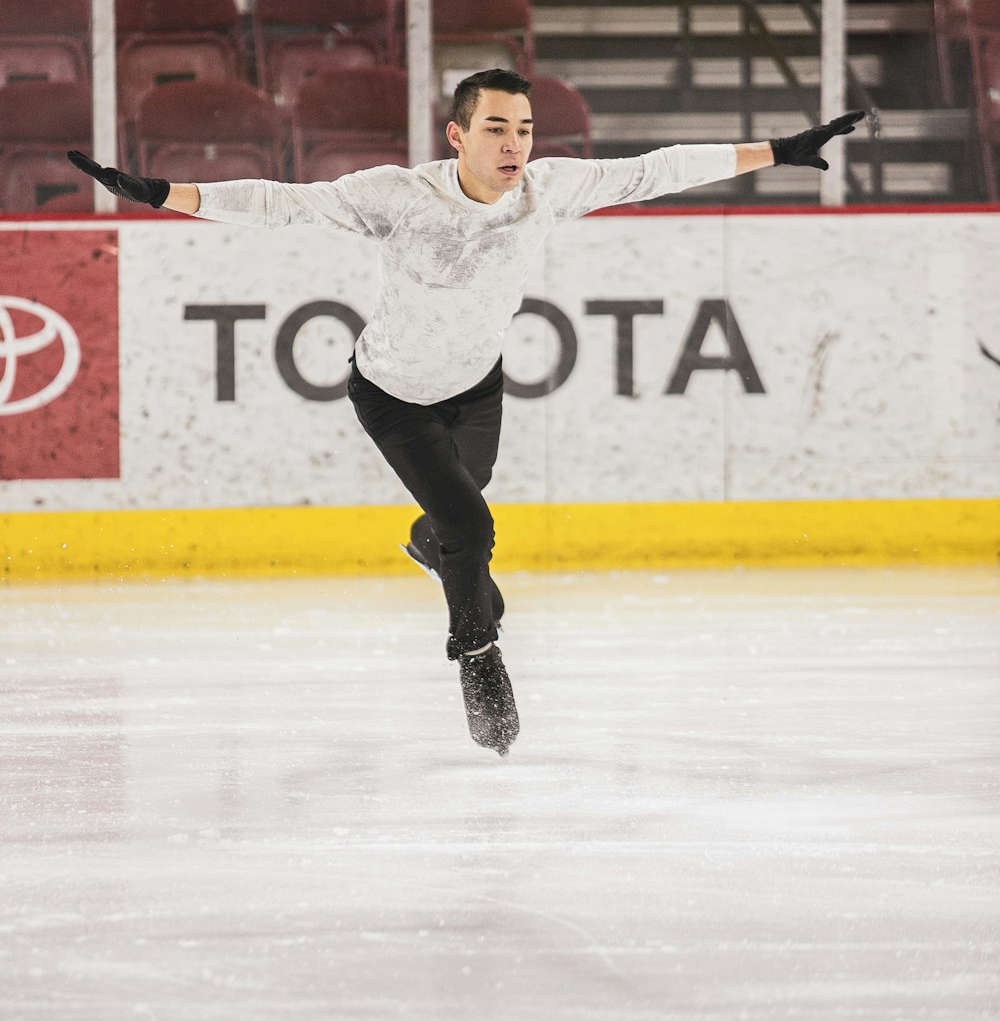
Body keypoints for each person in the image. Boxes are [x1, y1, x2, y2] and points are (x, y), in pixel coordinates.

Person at [69, 72, 863, 758]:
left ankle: (430, 543)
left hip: (478, 389)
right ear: (457, 135)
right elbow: (283, 204)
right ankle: (478, 654)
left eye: (523, 128)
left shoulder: (549, 190)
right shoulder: (396, 196)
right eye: (495, 128)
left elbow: (654, 170)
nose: (513, 144)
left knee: (453, 525)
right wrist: (165, 194)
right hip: (391, 395)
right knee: (473, 531)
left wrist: (777, 151)